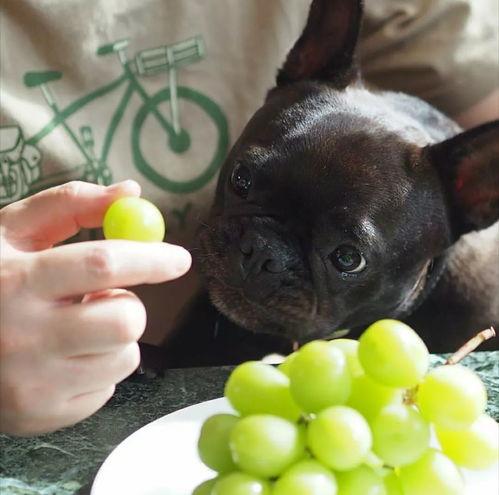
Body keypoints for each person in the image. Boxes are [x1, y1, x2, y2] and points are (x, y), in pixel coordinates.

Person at [1, 0, 497, 435]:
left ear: (478, 198)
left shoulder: (477, 303)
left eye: (344, 256)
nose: (258, 258)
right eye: (243, 184)